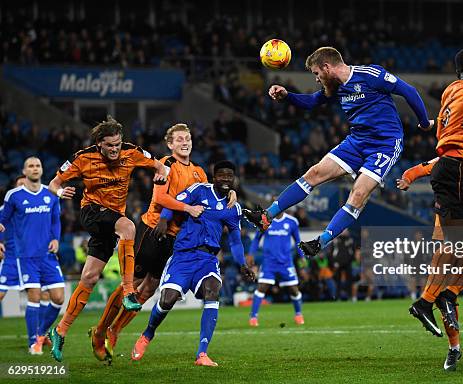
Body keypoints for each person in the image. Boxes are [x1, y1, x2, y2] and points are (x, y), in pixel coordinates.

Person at [244, 46, 432, 257]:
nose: (316, 78)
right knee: (314, 173)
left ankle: (321, 241)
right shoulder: (335, 87)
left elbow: (409, 91)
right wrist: (287, 96)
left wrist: (424, 123)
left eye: (316, 73)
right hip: (356, 141)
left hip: (385, 145)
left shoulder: (370, 75)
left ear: (327, 67)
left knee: (358, 193)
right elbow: (312, 102)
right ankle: (266, 217)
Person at [90, 123, 236, 360]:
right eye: (179, 139)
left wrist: (231, 193)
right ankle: (100, 329)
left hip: (177, 239)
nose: (184, 142)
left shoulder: (199, 172)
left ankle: (114, 330)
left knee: (149, 289)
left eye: (187, 138)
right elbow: (160, 197)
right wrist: (187, 208)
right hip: (153, 230)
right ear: (170, 144)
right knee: (133, 283)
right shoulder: (166, 164)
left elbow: (212, 193)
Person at [46, 116, 168, 362]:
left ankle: (60, 330)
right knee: (129, 227)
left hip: (111, 221)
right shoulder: (83, 158)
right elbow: (53, 183)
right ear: (99, 144)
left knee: (89, 277)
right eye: (110, 145)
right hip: (91, 212)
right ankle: (128, 290)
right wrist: (60, 191)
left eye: (117, 144)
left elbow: (160, 166)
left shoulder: (131, 152)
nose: (115, 149)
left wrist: (161, 174)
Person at [398, 122, 463, 372]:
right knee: (444, 290)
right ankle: (454, 346)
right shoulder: (457, 157)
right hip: (447, 229)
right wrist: (407, 178)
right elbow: (425, 167)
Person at [130, 160, 256, 366]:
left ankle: (202, 354)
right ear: (214, 177)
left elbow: (234, 239)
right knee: (167, 300)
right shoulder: (199, 190)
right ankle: (148, 334)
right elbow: (174, 201)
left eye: (229, 176)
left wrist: (242, 264)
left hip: (207, 259)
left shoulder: (233, 208)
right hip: (183, 256)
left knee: (213, 290)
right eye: (221, 175)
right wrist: (163, 219)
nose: (225, 179)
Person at [0, 159, 64, 355]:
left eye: (37, 166)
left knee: (59, 298)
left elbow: (56, 221)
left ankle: (41, 333)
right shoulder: (14, 196)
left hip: (47, 255)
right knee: (34, 295)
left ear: (42, 170)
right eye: (30, 166)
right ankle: (33, 343)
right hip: (25, 256)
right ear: (24, 170)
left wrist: (56, 239)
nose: (35, 169)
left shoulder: (51, 194)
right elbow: (2, 220)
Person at [247, 207, 306, 326]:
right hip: (269, 263)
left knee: (294, 290)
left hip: (286, 263)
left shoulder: (292, 222)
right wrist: (251, 254)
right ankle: (253, 317)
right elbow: (256, 239)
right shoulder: (265, 221)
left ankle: (298, 314)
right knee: (262, 287)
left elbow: (297, 240)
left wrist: (302, 256)